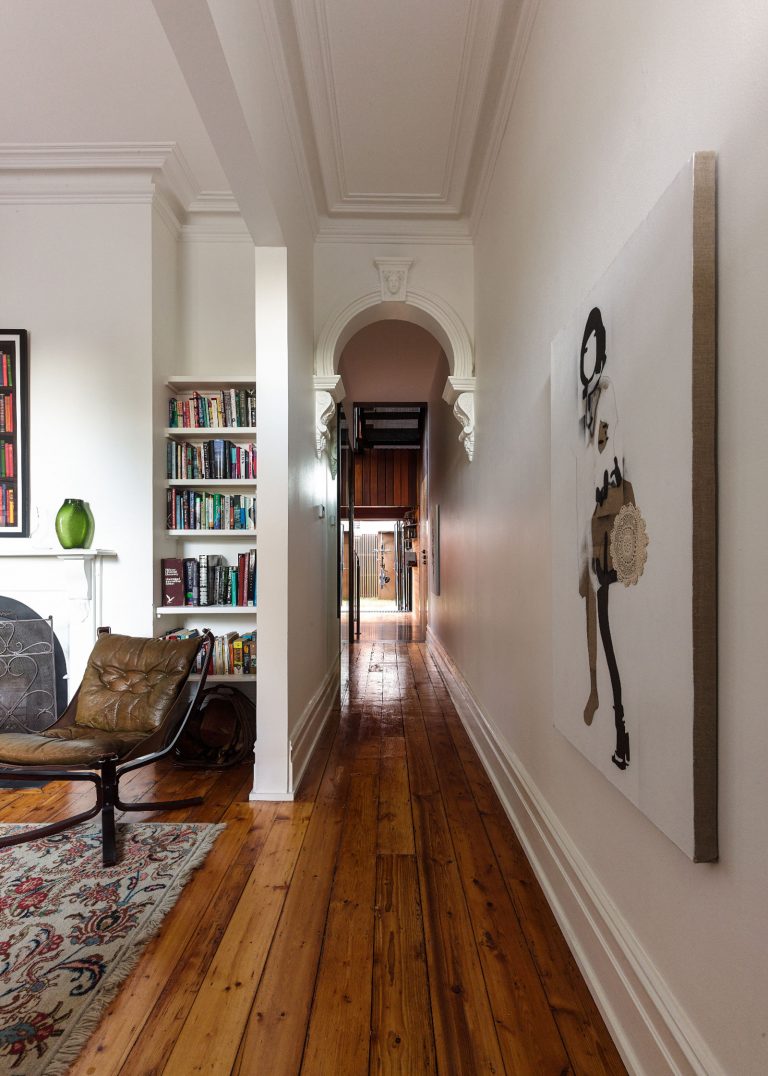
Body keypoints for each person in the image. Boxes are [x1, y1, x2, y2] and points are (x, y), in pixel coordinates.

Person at [576, 306, 638, 771]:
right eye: (584, 350)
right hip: (592, 528)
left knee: (609, 627)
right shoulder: (589, 406)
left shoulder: (607, 397)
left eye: (590, 349)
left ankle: (620, 724)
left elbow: (610, 462)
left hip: (608, 525)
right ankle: (598, 692)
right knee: (595, 618)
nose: (587, 358)